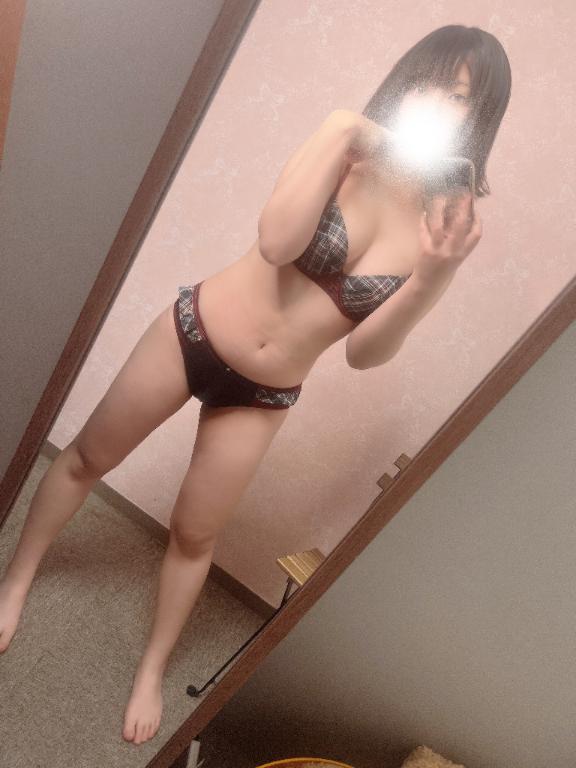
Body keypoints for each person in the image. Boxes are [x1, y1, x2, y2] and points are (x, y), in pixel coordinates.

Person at [0, 24, 511, 745]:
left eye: (456, 96)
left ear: (479, 118)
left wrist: (434, 273)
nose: (434, 101)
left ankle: (151, 669)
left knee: (195, 533)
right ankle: (17, 580)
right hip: (193, 332)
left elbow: (365, 354)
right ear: (402, 82)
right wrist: (340, 131)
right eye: (425, 82)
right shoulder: (346, 146)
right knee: (86, 459)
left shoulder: (440, 229)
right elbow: (276, 243)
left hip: (264, 394)